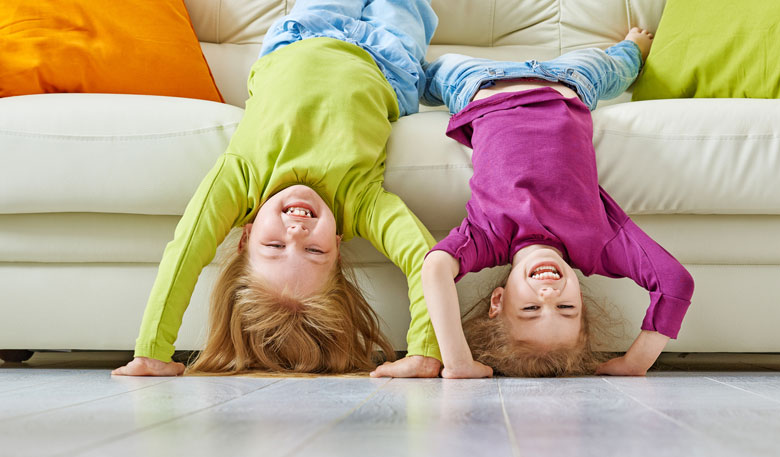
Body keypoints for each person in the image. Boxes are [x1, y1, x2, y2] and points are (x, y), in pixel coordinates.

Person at [112, 0, 443, 377]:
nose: (297, 232)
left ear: (244, 237)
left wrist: (153, 348)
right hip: (390, 60)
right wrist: (426, 349)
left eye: (274, 246)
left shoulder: (241, 181)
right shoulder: (359, 201)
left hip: (303, 34)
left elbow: (186, 251)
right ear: (336, 247)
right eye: (313, 250)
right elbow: (425, 258)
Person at [401, 28, 695, 378]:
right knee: (619, 66)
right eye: (566, 307)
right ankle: (633, 45)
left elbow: (435, 267)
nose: (548, 293)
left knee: (419, 74)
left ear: (498, 301)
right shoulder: (599, 245)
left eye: (530, 308)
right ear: (582, 303)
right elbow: (675, 283)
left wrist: (458, 361)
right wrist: (636, 362)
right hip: (570, 83)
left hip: (479, 84)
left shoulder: (488, 238)